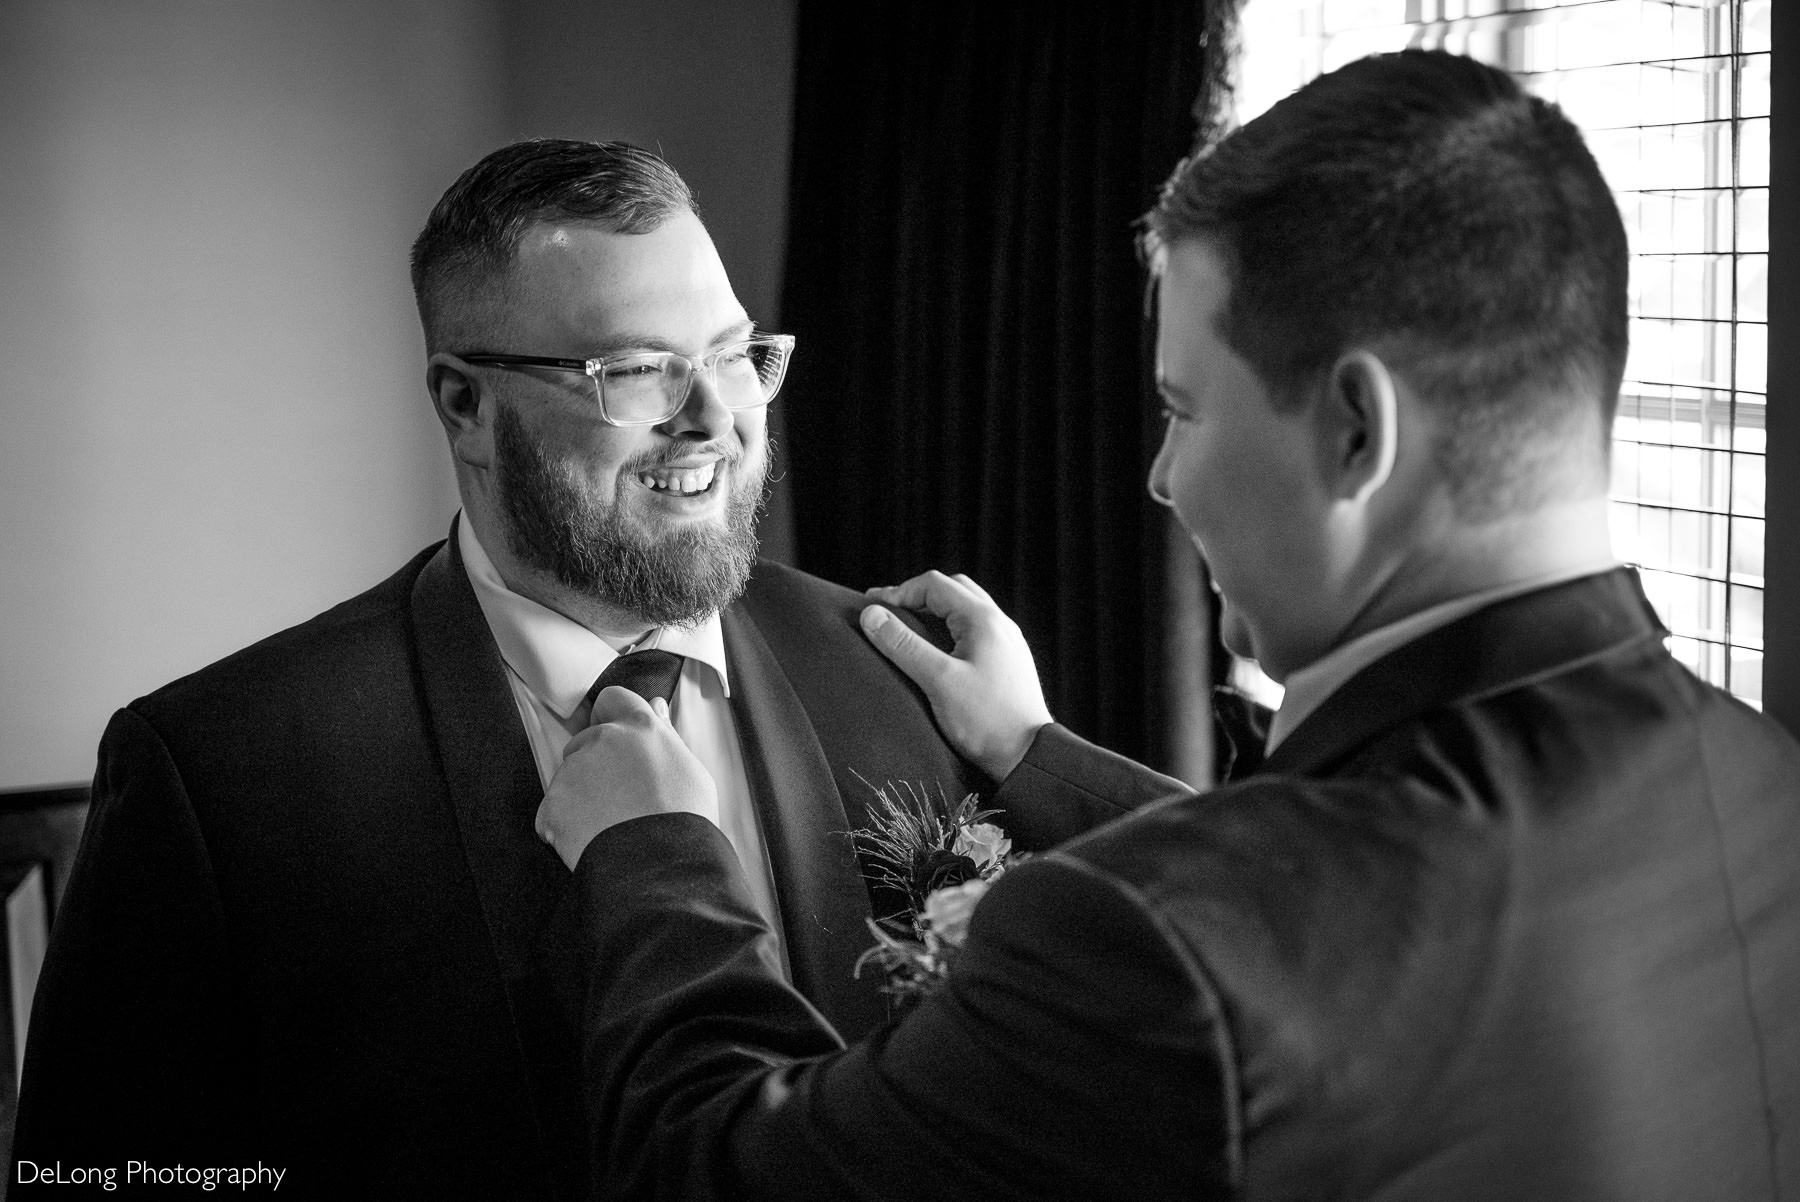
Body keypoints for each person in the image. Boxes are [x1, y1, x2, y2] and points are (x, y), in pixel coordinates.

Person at [535, 52, 1800, 1200]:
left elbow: (717, 1170)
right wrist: (1033, 751)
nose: (1160, 477)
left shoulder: (1149, 947)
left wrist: (656, 853)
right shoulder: (1760, 778)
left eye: (1184, 410)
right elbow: (1353, 920)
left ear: (1356, 431)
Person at [12, 140, 1141, 1197]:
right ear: (466, 404)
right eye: (639, 370)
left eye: (737, 355)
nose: (717, 418)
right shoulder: (222, 772)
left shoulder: (912, 683)